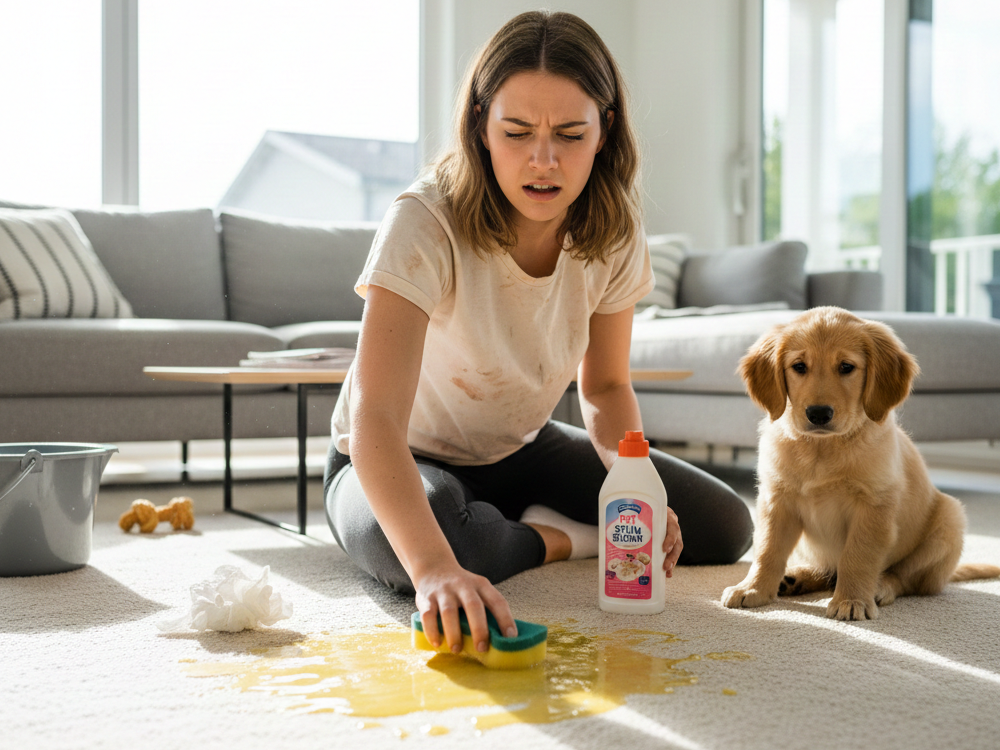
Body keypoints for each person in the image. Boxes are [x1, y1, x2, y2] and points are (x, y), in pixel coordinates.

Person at [324, 10, 753, 657]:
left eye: (571, 134)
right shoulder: (424, 220)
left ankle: (523, 523)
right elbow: (375, 417)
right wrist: (437, 570)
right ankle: (563, 538)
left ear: (605, 130)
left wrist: (631, 484)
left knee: (719, 526)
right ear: (480, 125)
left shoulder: (613, 232)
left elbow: (605, 385)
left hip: (523, 447)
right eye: (517, 131)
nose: (543, 160)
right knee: (438, 548)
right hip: (396, 454)